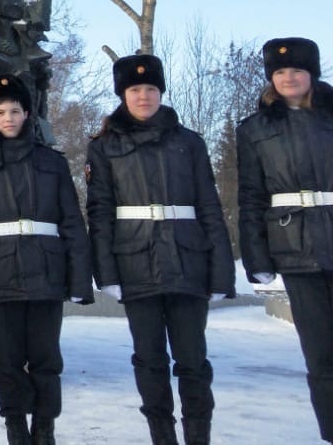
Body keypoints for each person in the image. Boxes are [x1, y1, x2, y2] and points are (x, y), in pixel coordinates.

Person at [86, 55, 235, 445]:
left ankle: (198, 437)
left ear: (161, 92)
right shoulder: (103, 147)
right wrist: (107, 272)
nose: (143, 96)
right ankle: (162, 438)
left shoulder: (189, 142)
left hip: (189, 261)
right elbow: (99, 213)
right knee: (149, 361)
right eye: (135, 90)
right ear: (123, 94)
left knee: (192, 361)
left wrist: (221, 272)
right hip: (135, 263)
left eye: (151, 89)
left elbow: (209, 208)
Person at [0, 74, 92, 445]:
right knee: (8, 360)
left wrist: (79, 281)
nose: (9, 118)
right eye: (0, 111)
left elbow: (72, 223)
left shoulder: (52, 162)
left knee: (46, 358)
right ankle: (15, 427)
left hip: (47, 272)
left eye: (15, 110)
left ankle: (45, 427)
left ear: (27, 113)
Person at [236, 37, 333, 443]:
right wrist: (257, 254)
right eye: (279, 72)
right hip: (295, 250)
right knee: (321, 355)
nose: (288, 77)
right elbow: (251, 195)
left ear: (311, 74)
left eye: (295, 70)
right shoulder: (255, 130)